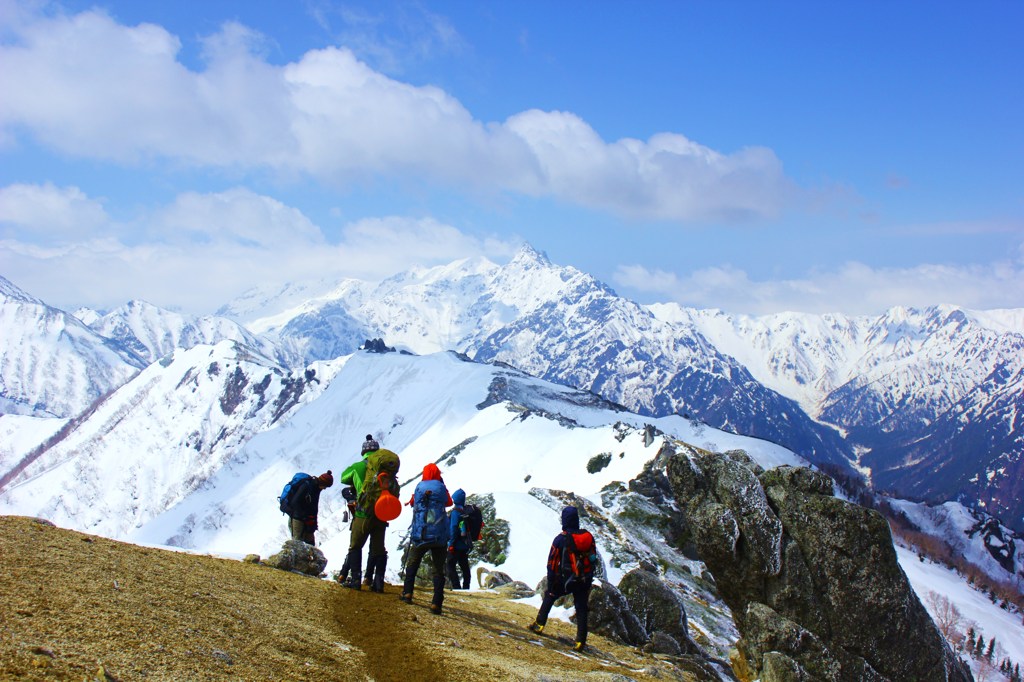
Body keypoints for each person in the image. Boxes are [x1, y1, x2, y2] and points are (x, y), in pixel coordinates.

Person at [527, 506, 595, 653]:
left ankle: (539, 625)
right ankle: (580, 641)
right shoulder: (588, 537)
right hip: (583, 579)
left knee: (550, 596)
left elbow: (552, 562)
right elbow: (593, 558)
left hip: (564, 580)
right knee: (581, 608)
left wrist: (551, 582)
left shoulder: (560, 539)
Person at [339, 446, 400, 592]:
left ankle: (355, 580)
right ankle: (378, 584)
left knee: (355, 546)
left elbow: (343, 478)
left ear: (364, 453)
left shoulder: (359, 466)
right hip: (382, 513)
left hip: (363, 513)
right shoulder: (387, 469)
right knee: (378, 549)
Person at [399, 463, 452, 614]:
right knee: (438, 569)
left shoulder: (419, 486)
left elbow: (415, 503)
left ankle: (407, 593)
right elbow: (449, 502)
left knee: (413, 562)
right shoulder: (440, 487)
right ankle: (436, 603)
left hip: (420, 533)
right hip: (438, 534)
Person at [287, 471, 333, 545]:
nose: (324, 488)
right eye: (325, 486)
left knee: (310, 544)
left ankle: (309, 556)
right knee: (297, 544)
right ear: (322, 483)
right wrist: (305, 516)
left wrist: (313, 523)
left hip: (307, 520)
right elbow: (295, 502)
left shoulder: (316, 488)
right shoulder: (308, 486)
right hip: (297, 518)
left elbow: (313, 507)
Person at [446, 488, 472, 590]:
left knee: (450, 565)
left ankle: (456, 586)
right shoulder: (465, 510)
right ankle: (466, 587)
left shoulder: (456, 512)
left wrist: (451, 544)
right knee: (464, 566)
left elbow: (453, 528)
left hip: (456, 545)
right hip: (464, 544)